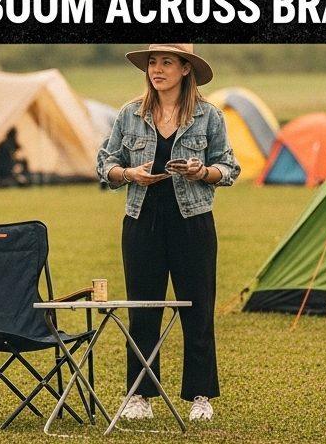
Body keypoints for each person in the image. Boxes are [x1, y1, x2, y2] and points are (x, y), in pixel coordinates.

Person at [95, 44, 240, 423]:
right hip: (142, 219)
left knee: (197, 308)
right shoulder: (130, 114)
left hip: (192, 221)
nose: (157, 70)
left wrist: (202, 172)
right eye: (153, 63)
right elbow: (105, 163)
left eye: (166, 63)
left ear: (185, 69)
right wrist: (129, 174)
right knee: (143, 309)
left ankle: (200, 395)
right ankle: (140, 394)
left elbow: (228, 167)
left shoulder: (209, 116)